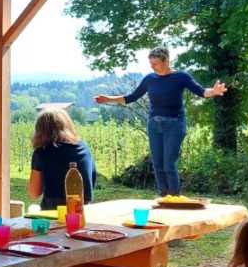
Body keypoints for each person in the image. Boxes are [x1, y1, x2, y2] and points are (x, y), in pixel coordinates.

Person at [94, 46, 226, 196]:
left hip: (175, 124)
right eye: (151, 64)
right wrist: (108, 99)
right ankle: (163, 196)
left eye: (155, 63)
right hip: (154, 125)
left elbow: (201, 91)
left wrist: (213, 92)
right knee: (157, 164)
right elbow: (131, 97)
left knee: (169, 164)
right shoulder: (150, 79)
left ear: (167, 61)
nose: (153, 67)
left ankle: (175, 197)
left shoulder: (181, 76)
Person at [28, 108, 97, 210]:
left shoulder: (41, 153)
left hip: (54, 212)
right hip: (83, 211)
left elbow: (34, 193)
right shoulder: (84, 148)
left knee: (32, 209)